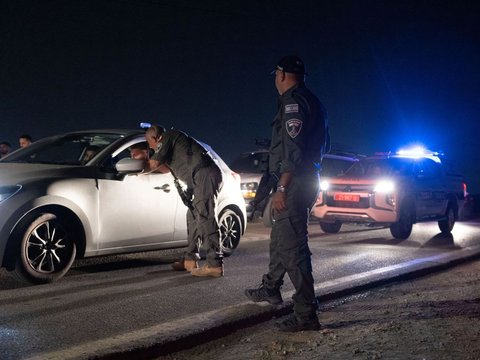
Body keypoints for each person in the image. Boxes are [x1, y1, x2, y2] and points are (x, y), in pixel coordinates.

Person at [244, 56, 330, 332]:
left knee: (294, 248)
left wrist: (281, 187)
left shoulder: (293, 103)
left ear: (281, 75)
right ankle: (270, 288)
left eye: (275, 75)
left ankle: (306, 314)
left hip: (294, 183)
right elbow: (321, 145)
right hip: (304, 179)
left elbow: (293, 150)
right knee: (282, 238)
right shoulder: (313, 101)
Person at [145, 125, 224, 278]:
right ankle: (190, 260)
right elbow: (165, 168)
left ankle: (215, 265)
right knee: (193, 217)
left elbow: (154, 164)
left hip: (204, 175)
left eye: (149, 144)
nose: (151, 148)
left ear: (155, 139)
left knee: (205, 217)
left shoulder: (168, 137)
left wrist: (136, 168)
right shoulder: (171, 142)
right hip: (199, 178)